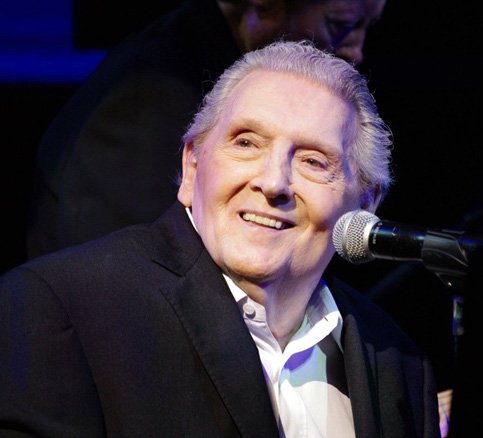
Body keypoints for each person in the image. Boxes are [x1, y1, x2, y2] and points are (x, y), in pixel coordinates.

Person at [1, 40, 441, 437]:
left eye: (313, 161)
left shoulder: (399, 362)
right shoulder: (61, 308)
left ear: (366, 202)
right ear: (192, 167)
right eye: (246, 143)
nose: (274, 183)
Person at [26, 0, 386, 260]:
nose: (356, 52)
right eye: (341, 24)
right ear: (266, 5)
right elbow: (119, 278)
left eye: (312, 161)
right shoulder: (148, 106)